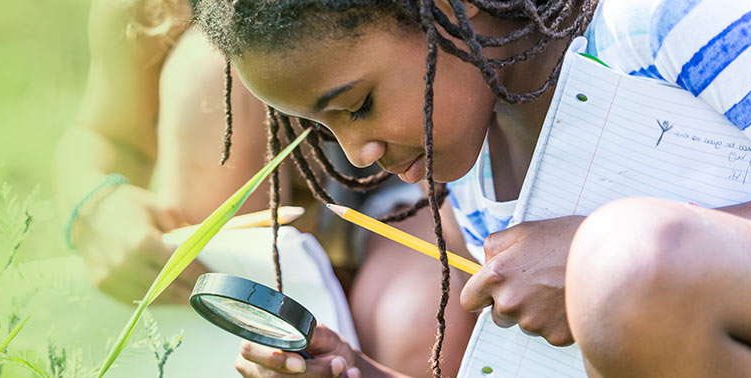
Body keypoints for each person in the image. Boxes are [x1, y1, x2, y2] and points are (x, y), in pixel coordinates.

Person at [192, 0, 751, 377]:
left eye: (356, 106)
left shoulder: (663, 17)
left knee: (629, 261)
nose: (360, 154)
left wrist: (595, 253)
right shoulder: (476, 170)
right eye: (323, 130)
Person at [51, 0, 476, 375]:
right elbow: (105, 134)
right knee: (210, 74)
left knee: (423, 331)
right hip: (251, 212)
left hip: (407, 189)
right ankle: (228, 340)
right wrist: (96, 205)